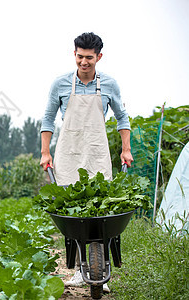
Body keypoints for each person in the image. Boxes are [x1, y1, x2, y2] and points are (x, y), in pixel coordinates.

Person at [39, 32, 134, 292]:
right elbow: (48, 119)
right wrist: (45, 152)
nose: (83, 62)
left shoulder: (110, 85)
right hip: (68, 155)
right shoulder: (60, 84)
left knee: (100, 209)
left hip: (96, 154)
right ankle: (83, 269)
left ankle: (99, 266)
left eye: (89, 58)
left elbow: (122, 118)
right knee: (75, 210)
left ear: (99, 57)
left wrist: (126, 149)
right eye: (79, 56)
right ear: (74, 54)